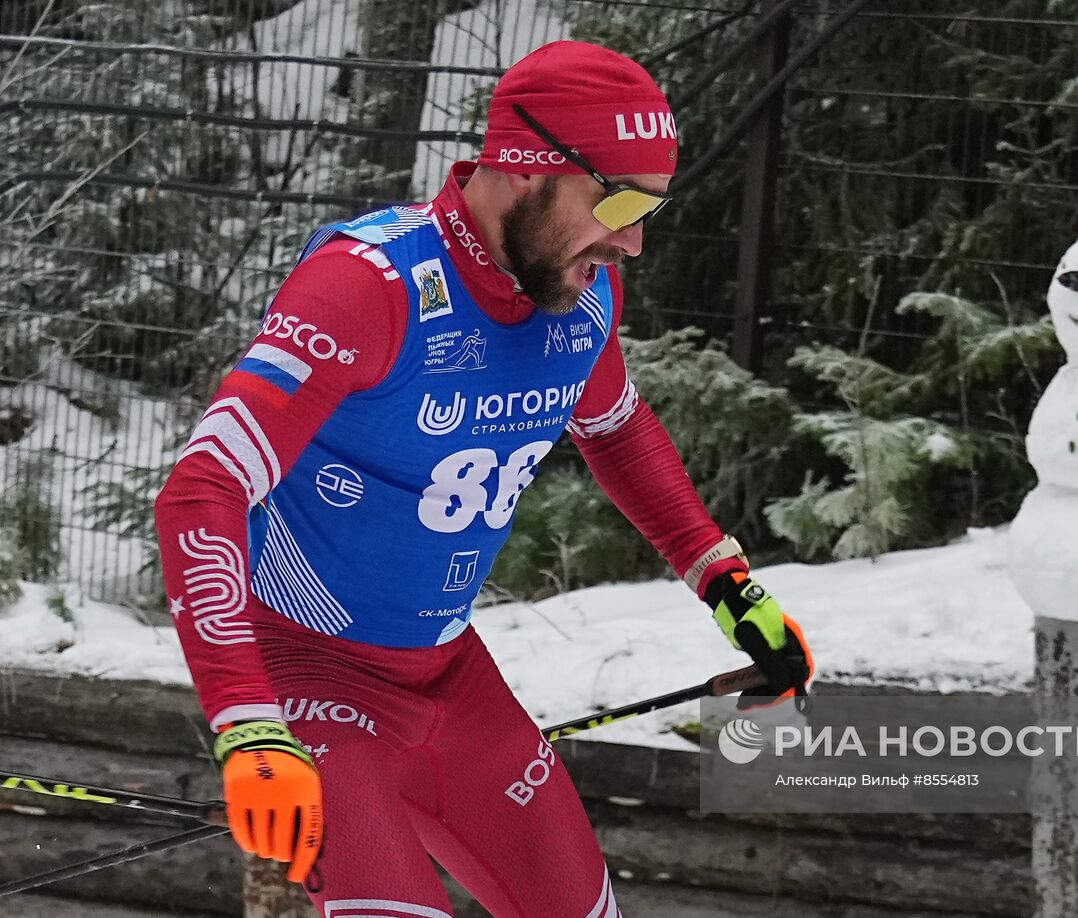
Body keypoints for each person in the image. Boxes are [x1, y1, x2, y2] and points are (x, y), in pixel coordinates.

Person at [154, 40, 813, 918]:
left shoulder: (576, 296)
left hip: (450, 680)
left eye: (650, 208)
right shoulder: (369, 286)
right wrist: (247, 723)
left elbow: (617, 430)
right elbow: (202, 490)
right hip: (309, 676)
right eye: (617, 202)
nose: (635, 242)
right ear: (524, 167)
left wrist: (728, 585)